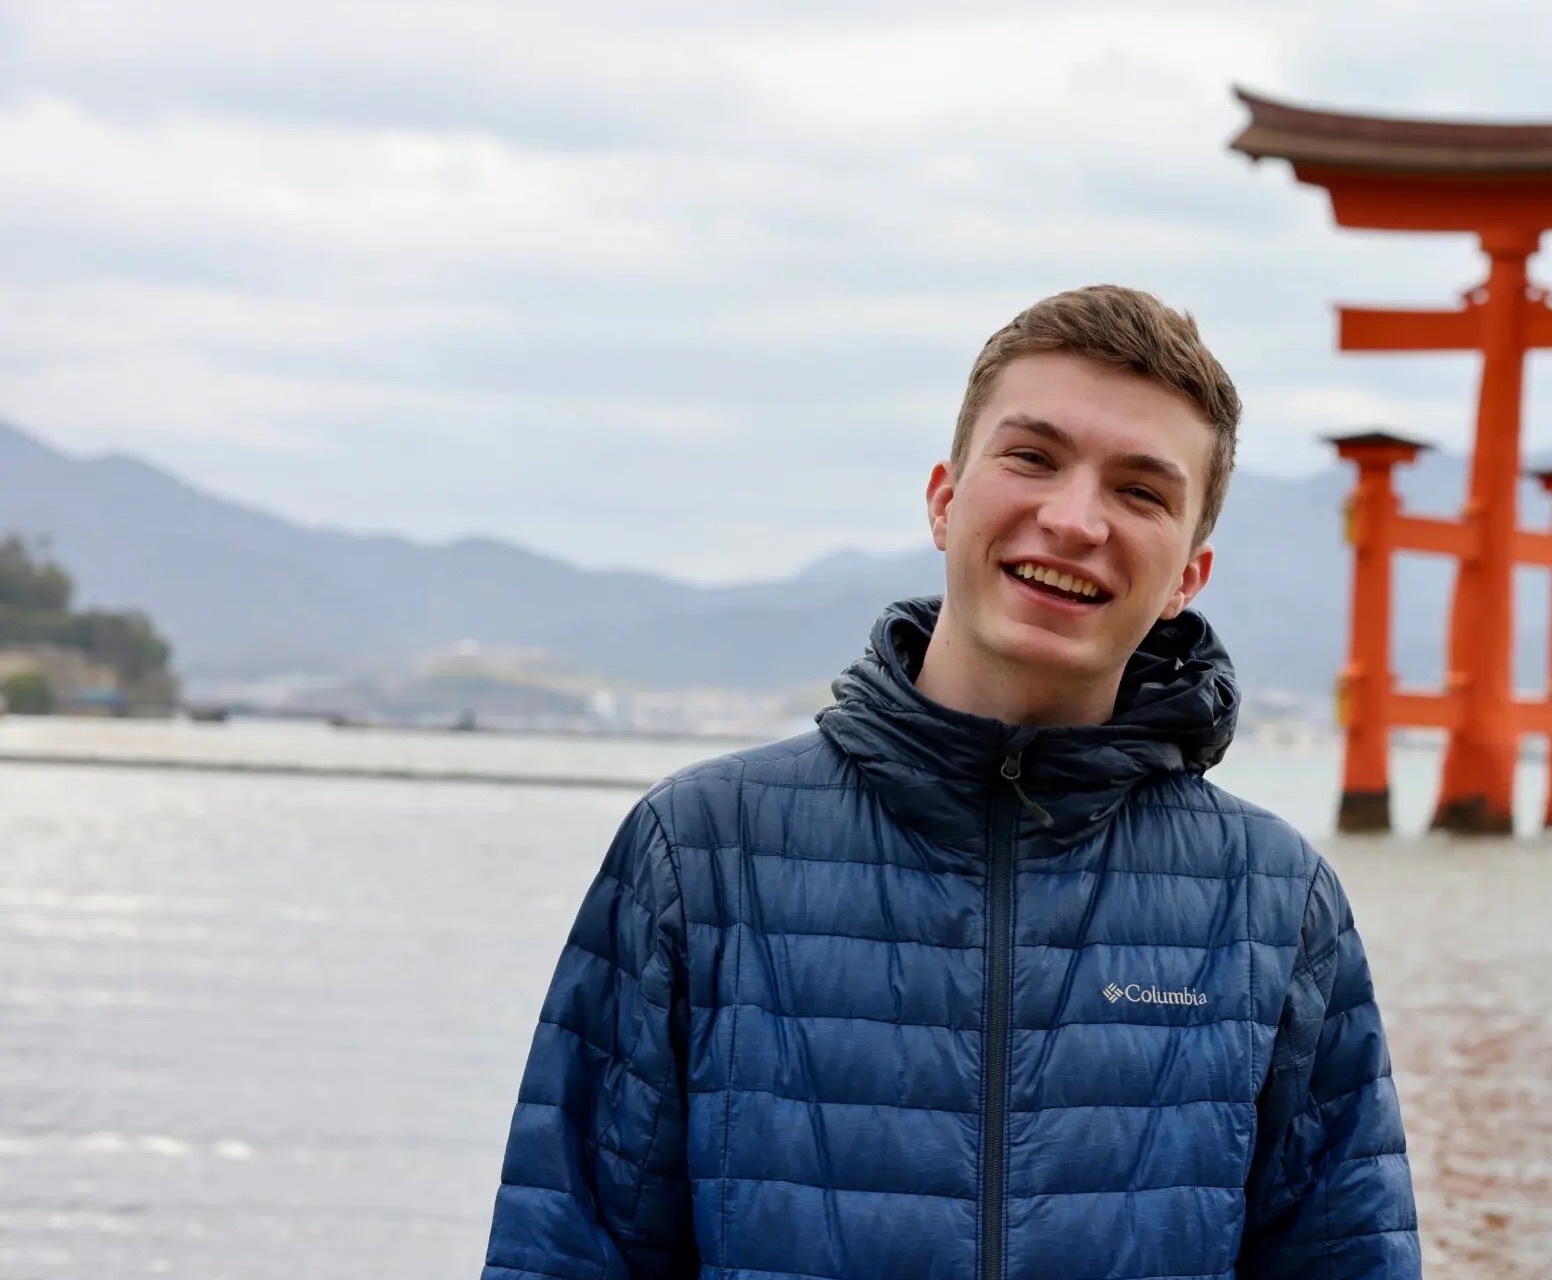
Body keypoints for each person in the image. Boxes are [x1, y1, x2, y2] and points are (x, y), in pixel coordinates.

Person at [480, 285, 1421, 1280]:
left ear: (1189, 573)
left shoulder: (1271, 897)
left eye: (1141, 491)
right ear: (943, 496)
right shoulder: (703, 847)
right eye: (1031, 458)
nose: (1073, 518)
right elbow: (564, 1247)